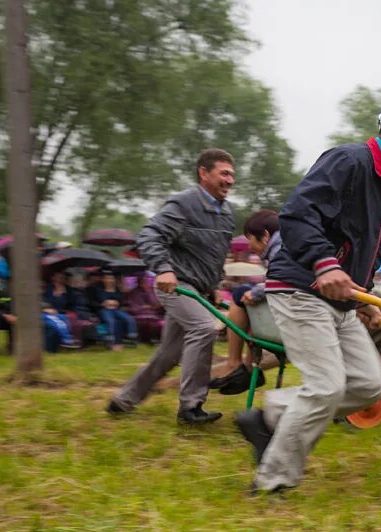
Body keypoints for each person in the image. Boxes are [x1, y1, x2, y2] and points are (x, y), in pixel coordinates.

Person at [235, 94, 381, 493]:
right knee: (326, 385)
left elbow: (361, 251)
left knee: (370, 385)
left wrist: (362, 297)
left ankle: (271, 418)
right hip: (301, 287)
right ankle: (271, 482)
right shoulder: (350, 162)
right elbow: (298, 214)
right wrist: (323, 263)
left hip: (338, 299)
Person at [108, 148, 236, 424]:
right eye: (224, 173)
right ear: (204, 172)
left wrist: (214, 284)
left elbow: (214, 255)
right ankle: (191, 407)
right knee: (203, 329)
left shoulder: (227, 213)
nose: (230, 180)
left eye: (232, 175)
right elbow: (149, 236)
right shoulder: (183, 204)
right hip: (175, 285)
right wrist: (164, 269)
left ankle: (123, 400)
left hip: (200, 289)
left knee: (169, 354)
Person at [209, 209, 282, 395]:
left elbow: (284, 278)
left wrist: (257, 292)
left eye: (250, 238)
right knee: (249, 299)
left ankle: (235, 363)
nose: (249, 245)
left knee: (241, 294)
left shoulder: (280, 249)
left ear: (265, 236)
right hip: (284, 312)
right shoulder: (285, 245)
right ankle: (249, 367)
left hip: (284, 322)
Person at [93, 270, 138, 350]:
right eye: (107, 278)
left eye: (111, 278)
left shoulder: (116, 288)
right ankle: (111, 341)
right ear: (103, 279)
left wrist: (112, 302)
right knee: (110, 321)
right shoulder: (98, 288)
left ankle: (131, 338)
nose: (109, 280)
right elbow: (103, 300)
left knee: (129, 319)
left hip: (116, 309)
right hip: (104, 310)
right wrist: (111, 302)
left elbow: (119, 300)